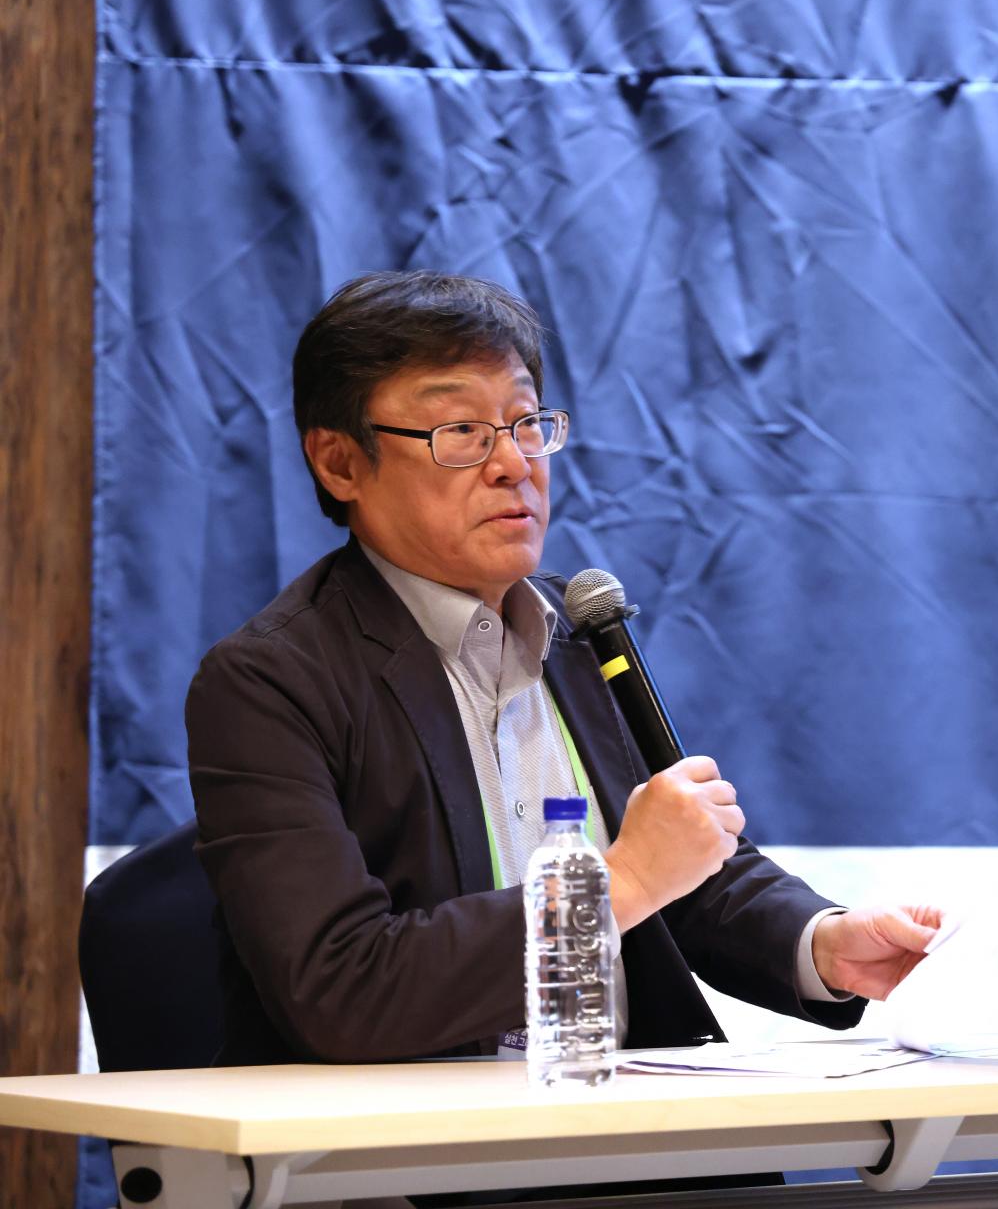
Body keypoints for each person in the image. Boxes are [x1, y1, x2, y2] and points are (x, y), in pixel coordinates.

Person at [188, 271, 941, 1068]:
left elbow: (685, 868)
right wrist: (618, 883)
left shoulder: (579, 628)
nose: (514, 463)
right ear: (340, 463)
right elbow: (342, 989)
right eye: (462, 432)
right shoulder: (269, 684)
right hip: (420, 1129)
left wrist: (825, 943)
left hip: (618, 1108)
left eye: (526, 423)